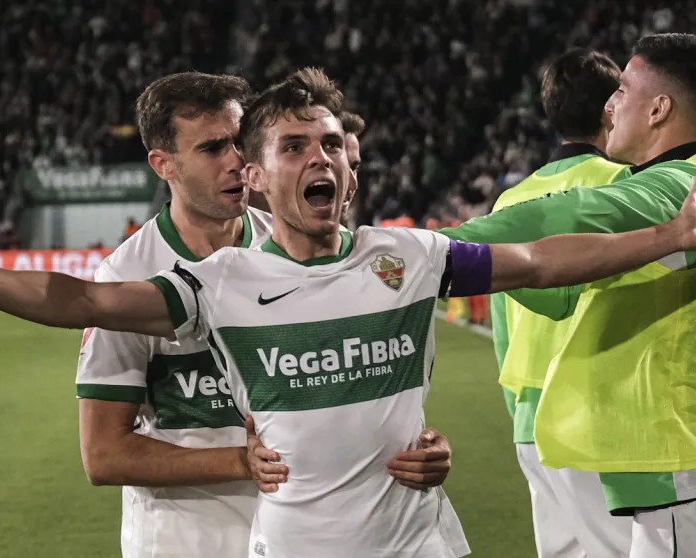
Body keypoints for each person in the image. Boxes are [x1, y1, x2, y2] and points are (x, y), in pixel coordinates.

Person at [0, 67, 696, 558]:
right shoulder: (220, 284)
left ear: (352, 161)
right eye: (294, 145)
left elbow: (535, 260)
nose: (319, 157)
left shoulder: (405, 257)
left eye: (332, 142)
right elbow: (84, 300)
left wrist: (668, 235)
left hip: (421, 547)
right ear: (257, 174)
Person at [445, 34, 696, 557]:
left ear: (660, 109)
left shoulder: (676, 190)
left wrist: (425, 253)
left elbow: (565, 215)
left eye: (624, 89)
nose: (610, 103)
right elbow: (558, 291)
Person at [75, 71, 458, 557]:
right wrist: (239, 461)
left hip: (295, 537)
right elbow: (103, 455)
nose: (236, 161)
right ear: (163, 164)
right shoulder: (129, 275)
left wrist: (420, 448)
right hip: (188, 541)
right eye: (213, 149)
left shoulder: (290, 243)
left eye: (239, 142)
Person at [488, 48, 633, 557]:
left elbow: (502, 326)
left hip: (531, 420)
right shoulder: (624, 189)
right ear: (612, 108)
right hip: (601, 416)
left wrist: (519, 417)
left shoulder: (510, 202)